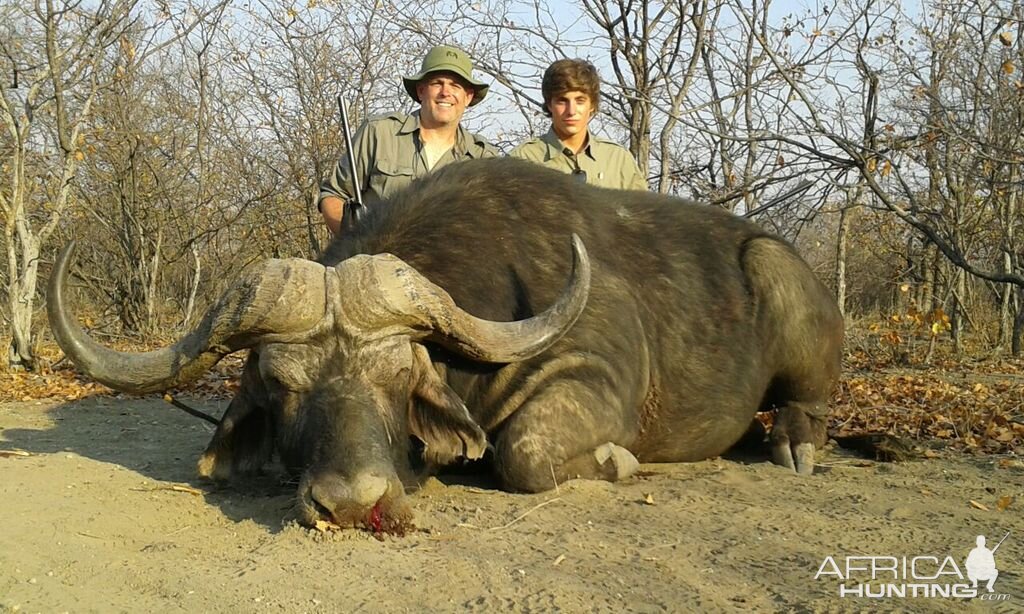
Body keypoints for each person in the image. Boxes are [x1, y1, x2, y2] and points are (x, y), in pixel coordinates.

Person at [318, 45, 499, 234]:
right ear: (421, 91)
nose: (445, 92)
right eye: (437, 83)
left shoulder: (483, 158)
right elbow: (333, 195)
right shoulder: (380, 133)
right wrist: (354, 244)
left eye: (455, 85)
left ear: (468, 97)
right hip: (375, 259)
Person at [510, 58, 647, 191]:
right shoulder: (522, 159)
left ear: (592, 105)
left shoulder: (617, 159)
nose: (571, 111)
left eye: (580, 101)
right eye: (562, 101)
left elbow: (643, 212)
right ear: (549, 104)